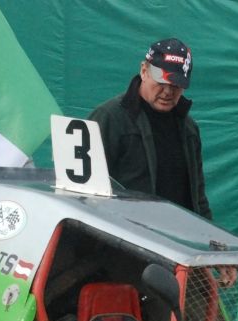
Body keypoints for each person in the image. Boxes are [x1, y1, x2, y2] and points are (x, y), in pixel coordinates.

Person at [89, 38, 211, 219]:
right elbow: (85, 190)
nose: (168, 92)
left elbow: (198, 197)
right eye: (161, 82)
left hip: (179, 232)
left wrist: (207, 230)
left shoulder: (189, 129)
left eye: (176, 85)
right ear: (144, 71)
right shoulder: (109, 118)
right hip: (124, 231)